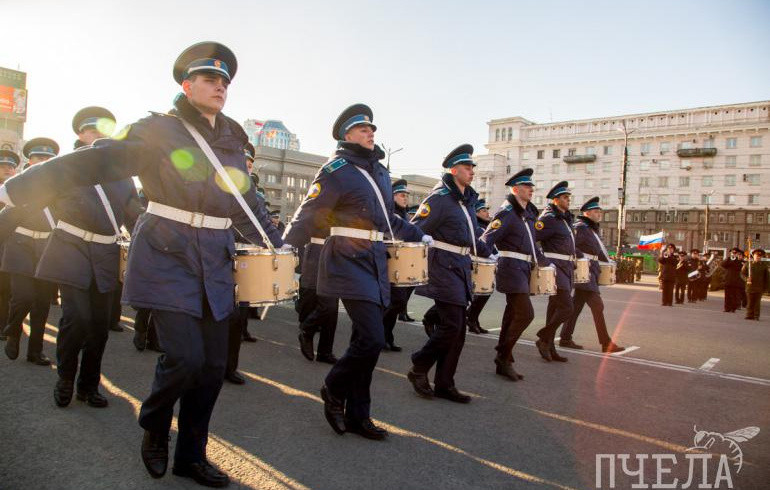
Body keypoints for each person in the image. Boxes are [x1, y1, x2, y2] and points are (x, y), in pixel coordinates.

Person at [0, 42, 285, 487]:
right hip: (167, 254)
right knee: (185, 357)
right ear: (187, 85)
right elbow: (95, 160)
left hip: (215, 257)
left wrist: (279, 246)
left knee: (212, 367)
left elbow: (245, 200)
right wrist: (21, 188)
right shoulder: (157, 129)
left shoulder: (232, 137)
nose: (220, 88)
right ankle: (154, 425)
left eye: (225, 82)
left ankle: (191, 455)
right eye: (210, 80)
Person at [284, 103, 428, 440]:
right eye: (364, 129)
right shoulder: (336, 170)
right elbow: (310, 211)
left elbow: (389, 220)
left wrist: (419, 233)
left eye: (372, 129)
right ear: (348, 135)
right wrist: (286, 245)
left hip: (376, 260)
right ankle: (333, 388)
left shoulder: (380, 173)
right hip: (347, 259)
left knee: (367, 340)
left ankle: (359, 415)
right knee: (372, 337)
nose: (371, 133)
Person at [407, 144, 491, 403]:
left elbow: (473, 235)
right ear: (454, 170)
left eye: (472, 167)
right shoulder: (440, 198)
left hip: (460, 266)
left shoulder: (464, 201)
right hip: (443, 266)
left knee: (458, 330)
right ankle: (419, 365)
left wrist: (489, 252)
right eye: (467, 168)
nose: (472, 171)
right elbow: (416, 227)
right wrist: (427, 240)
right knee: (453, 324)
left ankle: (445, 383)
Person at [480, 168, 549, 380]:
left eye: (531, 186)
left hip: (523, 270)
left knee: (511, 315)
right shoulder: (507, 213)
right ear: (516, 189)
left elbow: (533, 245)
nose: (531, 189)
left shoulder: (526, 215)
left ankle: (504, 357)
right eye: (527, 187)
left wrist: (546, 263)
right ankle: (502, 355)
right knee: (526, 314)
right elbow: (486, 240)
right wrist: (492, 257)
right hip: (510, 269)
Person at [1, 138, 60, 365]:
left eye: (48, 158)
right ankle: (13, 330)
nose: (43, 162)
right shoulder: (19, 184)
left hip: (46, 249)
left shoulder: (61, 187)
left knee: (43, 303)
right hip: (20, 246)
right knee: (23, 296)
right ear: (30, 160)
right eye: (38, 158)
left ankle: (35, 351)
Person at [559, 197, 625, 353]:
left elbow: (598, 251)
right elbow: (571, 245)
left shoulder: (591, 228)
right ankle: (605, 343)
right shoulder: (580, 227)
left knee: (575, 307)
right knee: (597, 305)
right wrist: (582, 257)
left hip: (591, 271)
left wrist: (608, 261)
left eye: (599, 211)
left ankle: (565, 338)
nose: (599, 214)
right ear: (587, 213)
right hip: (585, 271)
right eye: (596, 212)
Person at [533, 181, 581, 362]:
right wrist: (544, 261)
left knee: (554, 309)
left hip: (566, 268)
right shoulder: (548, 219)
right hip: (555, 269)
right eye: (564, 197)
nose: (568, 200)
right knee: (568, 307)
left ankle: (549, 347)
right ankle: (544, 336)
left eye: (569, 197)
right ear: (555, 200)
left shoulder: (564, 219)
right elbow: (532, 239)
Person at [381, 178, 415, 351]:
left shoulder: (405, 214)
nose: (405, 198)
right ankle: (381, 337)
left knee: (397, 302)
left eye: (406, 196)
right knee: (393, 302)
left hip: (400, 264)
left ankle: (387, 337)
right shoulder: (390, 213)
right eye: (402, 195)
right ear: (393, 196)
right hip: (388, 261)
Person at [296, 229, 339, 364]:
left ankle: (325, 352)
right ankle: (307, 330)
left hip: (337, 252)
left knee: (332, 307)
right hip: (317, 252)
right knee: (323, 303)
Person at [0, 149, 19, 343]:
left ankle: (8, 324)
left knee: (10, 289)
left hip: (13, 246)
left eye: (11, 166)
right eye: (3, 166)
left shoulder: (18, 192)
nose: (8, 169)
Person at [466, 199, 491, 335]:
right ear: (476, 213)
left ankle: (473, 320)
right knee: (476, 295)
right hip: (475, 263)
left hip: (484, 263)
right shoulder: (476, 227)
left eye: (487, 210)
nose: (487, 213)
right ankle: (471, 318)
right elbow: (476, 245)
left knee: (484, 294)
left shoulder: (486, 226)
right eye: (483, 210)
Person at [741, 248, 768, 321]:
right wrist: (746, 279)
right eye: (757, 255)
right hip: (750, 286)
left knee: (757, 303)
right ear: (753, 256)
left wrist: (766, 288)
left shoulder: (764, 266)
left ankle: (756, 316)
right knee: (750, 302)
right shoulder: (748, 264)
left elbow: (767, 278)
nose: (758, 257)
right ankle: (749, 315)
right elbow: (742, 274)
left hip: (759, 287)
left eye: (760, 256)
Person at [721, 247, 744, 313]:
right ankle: (727, 308)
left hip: (736, 281)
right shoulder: (728, 259)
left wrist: (736, 260)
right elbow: (722, 265)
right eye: (732, 252)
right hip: (728, 280)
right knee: (727, 295)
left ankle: (733, 308)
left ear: (737, 253)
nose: (733, 254)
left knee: (734, 296)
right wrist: (729, 259)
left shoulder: (740, 261)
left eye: (735, 253)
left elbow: (739, 268)